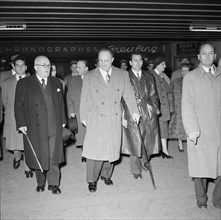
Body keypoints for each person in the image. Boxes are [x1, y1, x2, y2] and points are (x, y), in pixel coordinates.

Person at [80, 48, 140, 192]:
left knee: (111, 149)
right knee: (94, 151)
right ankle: (92, 180)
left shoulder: (122, 74)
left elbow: (129, 94)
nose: (103, 63)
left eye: (106, 60)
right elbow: (84, 97)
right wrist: (84, 116)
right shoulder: (89, 76)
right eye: (100, 60)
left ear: (112, 60)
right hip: (96, 117)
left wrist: (134, 111)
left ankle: (106, 175)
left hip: (114, 116)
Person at [14, 55, 66, 194]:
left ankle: (54, 184)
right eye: (44, 65)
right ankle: (40, 182)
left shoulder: (56, 82)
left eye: (49, 65)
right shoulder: (24, 83)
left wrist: (63, 122)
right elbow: (18, 106)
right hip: (35, 127)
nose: (47, 68)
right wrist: (21, 123)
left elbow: (61, 105)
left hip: (54, 126)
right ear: (35, 67)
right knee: (38, 155)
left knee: (54, 156)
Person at [182, 42, 221, 209]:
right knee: (201, 167)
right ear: (198, 57)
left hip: (219, 129)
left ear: (215, 56)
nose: (207, 56)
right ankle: (201, 199)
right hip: (200, 130)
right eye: (203, 53)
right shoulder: (190, 78)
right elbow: (187, 105)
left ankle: (218, 200)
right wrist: (192, 129)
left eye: (210, 53)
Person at [121, 52, 160, 179]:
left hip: (147, 111)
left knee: (148, 139)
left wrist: (154, 109)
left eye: (140, 60)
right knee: (134, 141)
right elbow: (120, 97)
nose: (138, 63)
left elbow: (153, 94)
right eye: (135, 60)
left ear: (143, 62)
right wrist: (124, 114)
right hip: (131, 111)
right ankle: (135, 170)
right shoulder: (124, 76)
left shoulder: (149, 76)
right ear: (130, 63)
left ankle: (145, 161)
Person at [2, 56, 33, 177]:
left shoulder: (32, 81)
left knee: (27, 143)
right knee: (14, 143)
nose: (20, 67)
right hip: (12, 116)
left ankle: (28, 167)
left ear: (26, 67)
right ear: (13, 67)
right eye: (17, 65)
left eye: (22, 65)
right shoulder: (6, 83)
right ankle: (17, 157)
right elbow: (5, 101)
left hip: (28, 116)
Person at [151, 57, 174, 159]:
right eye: (163, 64)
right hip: (155, 107)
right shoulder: (150, 75)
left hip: (164, 107)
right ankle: (152, 151)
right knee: (152, 129)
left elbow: (169, 89)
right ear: (158, 65)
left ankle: (165, 151)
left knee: (164, 128)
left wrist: (166, 77)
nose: (165, 66)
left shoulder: (162, 75)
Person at [67, 60, 88, 161]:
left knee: (92, 134)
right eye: (76, 67)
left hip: (92, 112)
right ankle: (84, 152)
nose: (77, 69)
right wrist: (71, 110)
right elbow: (69, 97)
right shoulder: (73, 80)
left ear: (86, 69)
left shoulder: (93, 79)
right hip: (78, 111)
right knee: (82, 134)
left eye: (79, 67)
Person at [169, 63, 190, 152]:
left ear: (189, 71)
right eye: (182, 71)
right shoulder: (176, 81)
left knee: (189, 126)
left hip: (190, 108)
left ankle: (191, 144)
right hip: (179, 107)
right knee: (179, 127)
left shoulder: (193, 81)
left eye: (186, 70)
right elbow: (171, 94)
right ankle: (180, 144)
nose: (184, 72)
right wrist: (172, 107)